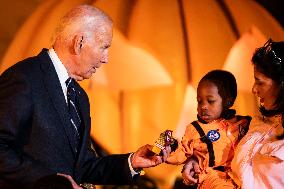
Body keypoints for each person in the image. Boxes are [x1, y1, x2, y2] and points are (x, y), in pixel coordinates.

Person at [0, 5, 169, 189]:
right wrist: (54, 183)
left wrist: (132, 162)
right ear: (79, 42)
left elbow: (84, 166)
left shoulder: (79, 97)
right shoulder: (24, 78)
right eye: (104, 47)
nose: (106, 59)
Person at [182, 39, 284, 189]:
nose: (254, 89)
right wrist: (197, 160)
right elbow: (227, 154)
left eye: (260, 82)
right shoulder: (258, 123)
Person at [166, 70, 251, 188]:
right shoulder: (195, 129)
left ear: (228, 101)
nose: (203, 106)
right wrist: (165, 152)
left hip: (242, 175)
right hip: (213, 177)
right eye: (199, 101)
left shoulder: (245, 123)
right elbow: (183, 151)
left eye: (210, 101)